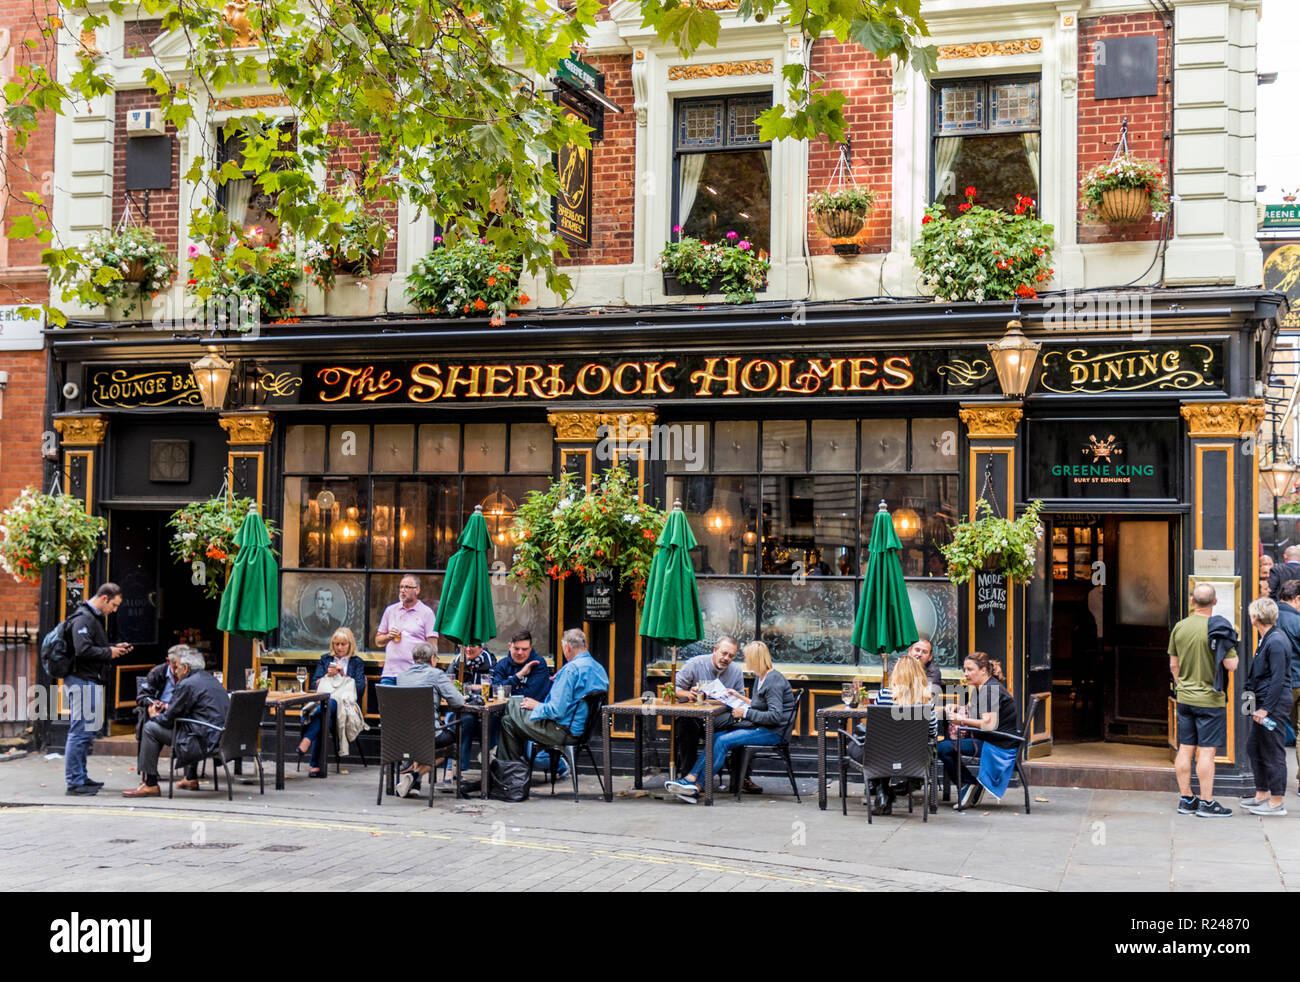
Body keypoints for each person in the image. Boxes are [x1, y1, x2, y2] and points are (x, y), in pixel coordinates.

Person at [664, 641, 793, 802]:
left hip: (773, 733)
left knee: (723, 741)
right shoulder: (762, 677)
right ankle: (691, 779)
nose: (744, 660)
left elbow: (774, 716)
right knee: (717, 737)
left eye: (746, 657)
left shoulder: (773, 680)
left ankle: (696, 786)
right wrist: (739, 697)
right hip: (762, 728)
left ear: (754, 659)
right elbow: (760, 705)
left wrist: (744, 712)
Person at [1169, 583, 1239, 818]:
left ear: (1192, 601)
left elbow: (1173, 664)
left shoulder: (1180, 627)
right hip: (1211, 699)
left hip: (1185, 697)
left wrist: (1182, 686)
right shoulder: (1219, 628)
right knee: (1207, 752)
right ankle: (1207, 803)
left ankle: (1186, 798)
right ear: (1215, 602)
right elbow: (1232, 665)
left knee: (1185, 748)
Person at [497, 628, 608, 771]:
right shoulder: (598, 668)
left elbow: (556, 711)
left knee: (512, 705)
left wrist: (537, 706)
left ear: (567, 648)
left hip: (563, 731)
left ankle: (510, 776)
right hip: (582, 732)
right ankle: (514, 774)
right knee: (508, 721)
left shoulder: (571, 670)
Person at [123, 649, 230, 798]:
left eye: (177, 667)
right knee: (177, 726)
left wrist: (154, 716)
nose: (175, 672)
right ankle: (190, 778)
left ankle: (150, 784)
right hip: (219, 738)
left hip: (200, 740)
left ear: (186, 668)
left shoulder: (187, 684)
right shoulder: (211, 680)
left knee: (150, 728)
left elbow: (168, 720)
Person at [64, 583, 132, 796]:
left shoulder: (93, 618)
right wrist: (108, 652)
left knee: (86, 732)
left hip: (89, 680)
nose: (115, 609)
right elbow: (82, 649)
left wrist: (112, 648)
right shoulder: (84, 618)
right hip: (82, 680)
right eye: (114, 604)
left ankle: (81, 776)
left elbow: (92, 646)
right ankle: (75, 782)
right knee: (80, 731)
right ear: (104, 598)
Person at [851, 655, 939, 815]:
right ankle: (891, 790)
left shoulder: (884, 695)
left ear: (896, 674)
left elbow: (874, 729)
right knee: (888, 746)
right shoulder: (927, 700)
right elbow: (933, 731)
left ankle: (882, 792)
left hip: (882, 757)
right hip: (915, 758)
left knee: (865, 746)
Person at [936, 651, 1020, 809]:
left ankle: (968, 784)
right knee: (946, 746)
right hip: (992, 739)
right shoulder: (982, 687)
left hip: (997, 744)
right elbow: (970, 709)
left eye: (970, 669)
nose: (966, 673)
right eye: (964, 670)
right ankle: (968, 785)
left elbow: (988, 724)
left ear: (983, 670)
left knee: (943, 748)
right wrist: (957, 707)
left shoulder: (989, 691)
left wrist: (960, 720)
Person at [670, 636, 748, 786]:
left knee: (740, 727)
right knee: (685, 725)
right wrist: (689, 694)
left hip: (719, 718)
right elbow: (674, 688)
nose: (726, 658)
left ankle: (741, 779)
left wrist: (734, 699)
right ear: (715, 650)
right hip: (694, 717)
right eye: (724, 653)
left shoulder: (736, 671)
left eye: (731, 656)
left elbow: (741, 701)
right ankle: (686, 779)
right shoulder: (695, 664)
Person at [1241, 598, 1292, 816]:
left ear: (1256, 617)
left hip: (1274, 705)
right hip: (1262, 702)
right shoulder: (1266, 640)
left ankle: (1277, 801)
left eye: (1251, 614)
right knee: (1254, 747)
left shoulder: (1277, 642)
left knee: (1273, 750)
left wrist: (1265, 709)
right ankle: (1261, 794)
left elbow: (1278, 680)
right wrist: (1251, 704)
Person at [394, 642, 465, 797]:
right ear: (433, 658)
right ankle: (414, 775)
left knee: (424, 739)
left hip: (403, 736)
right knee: (449, 744)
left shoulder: (401, 676)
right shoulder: (437, 674)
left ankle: (414, 785)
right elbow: (458, 702)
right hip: (429, 735)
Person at [297, 627, 369, 776]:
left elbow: (360, 689)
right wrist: (326, 676)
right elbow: (314, 685)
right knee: (325, 714)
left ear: (350, 645)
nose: (339, 648)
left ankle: (310, 749)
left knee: (329, 705)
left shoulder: (357, 662)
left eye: (343, 644)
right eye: (336, 644)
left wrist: (344, 674)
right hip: (326, 704)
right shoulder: (325, 659)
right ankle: (316, 764)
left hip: (346, 706)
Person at [375, 574, 438, 683]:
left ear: (417, 590)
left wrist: (429, 673)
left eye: (407, 587)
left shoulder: (426, 613)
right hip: (390, 673)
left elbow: (432, 647)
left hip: (415, 674)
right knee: (386, 700)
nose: (403, 590)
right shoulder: (390, 610)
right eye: (401, 587)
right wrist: (388, 636)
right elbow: (378, 641)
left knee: (410, 701)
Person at [135, 645, 186, 750]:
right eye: (175, 667)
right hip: (160, 714)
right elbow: (142, 696)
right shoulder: (157, 672)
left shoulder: (188, 673)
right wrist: (154, 703)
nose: (177, 671)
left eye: (181, 666)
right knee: (149, 726)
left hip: (181, 717)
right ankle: (146, 766)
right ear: (168, 661)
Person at [1278, 580, 1300, 783]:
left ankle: (1272, 781)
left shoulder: (1270, 616)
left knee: (1273, 730)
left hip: (1278, 683)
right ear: (1297, 598)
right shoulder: (1298, 621)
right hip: (1298, 681)